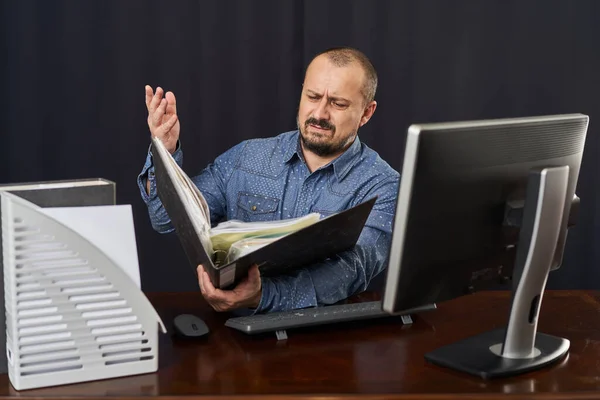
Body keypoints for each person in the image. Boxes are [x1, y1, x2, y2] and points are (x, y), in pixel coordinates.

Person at [137, 47, 400, 314]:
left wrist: (262, 296)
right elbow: (165, 219)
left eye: (338, 104)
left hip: (327, 343)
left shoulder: (383, 186)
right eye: (312, 96)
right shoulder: (247, 157)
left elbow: (353, 269)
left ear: (367, 113)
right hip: (235, 336)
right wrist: (164, 153)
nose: (319, 113)